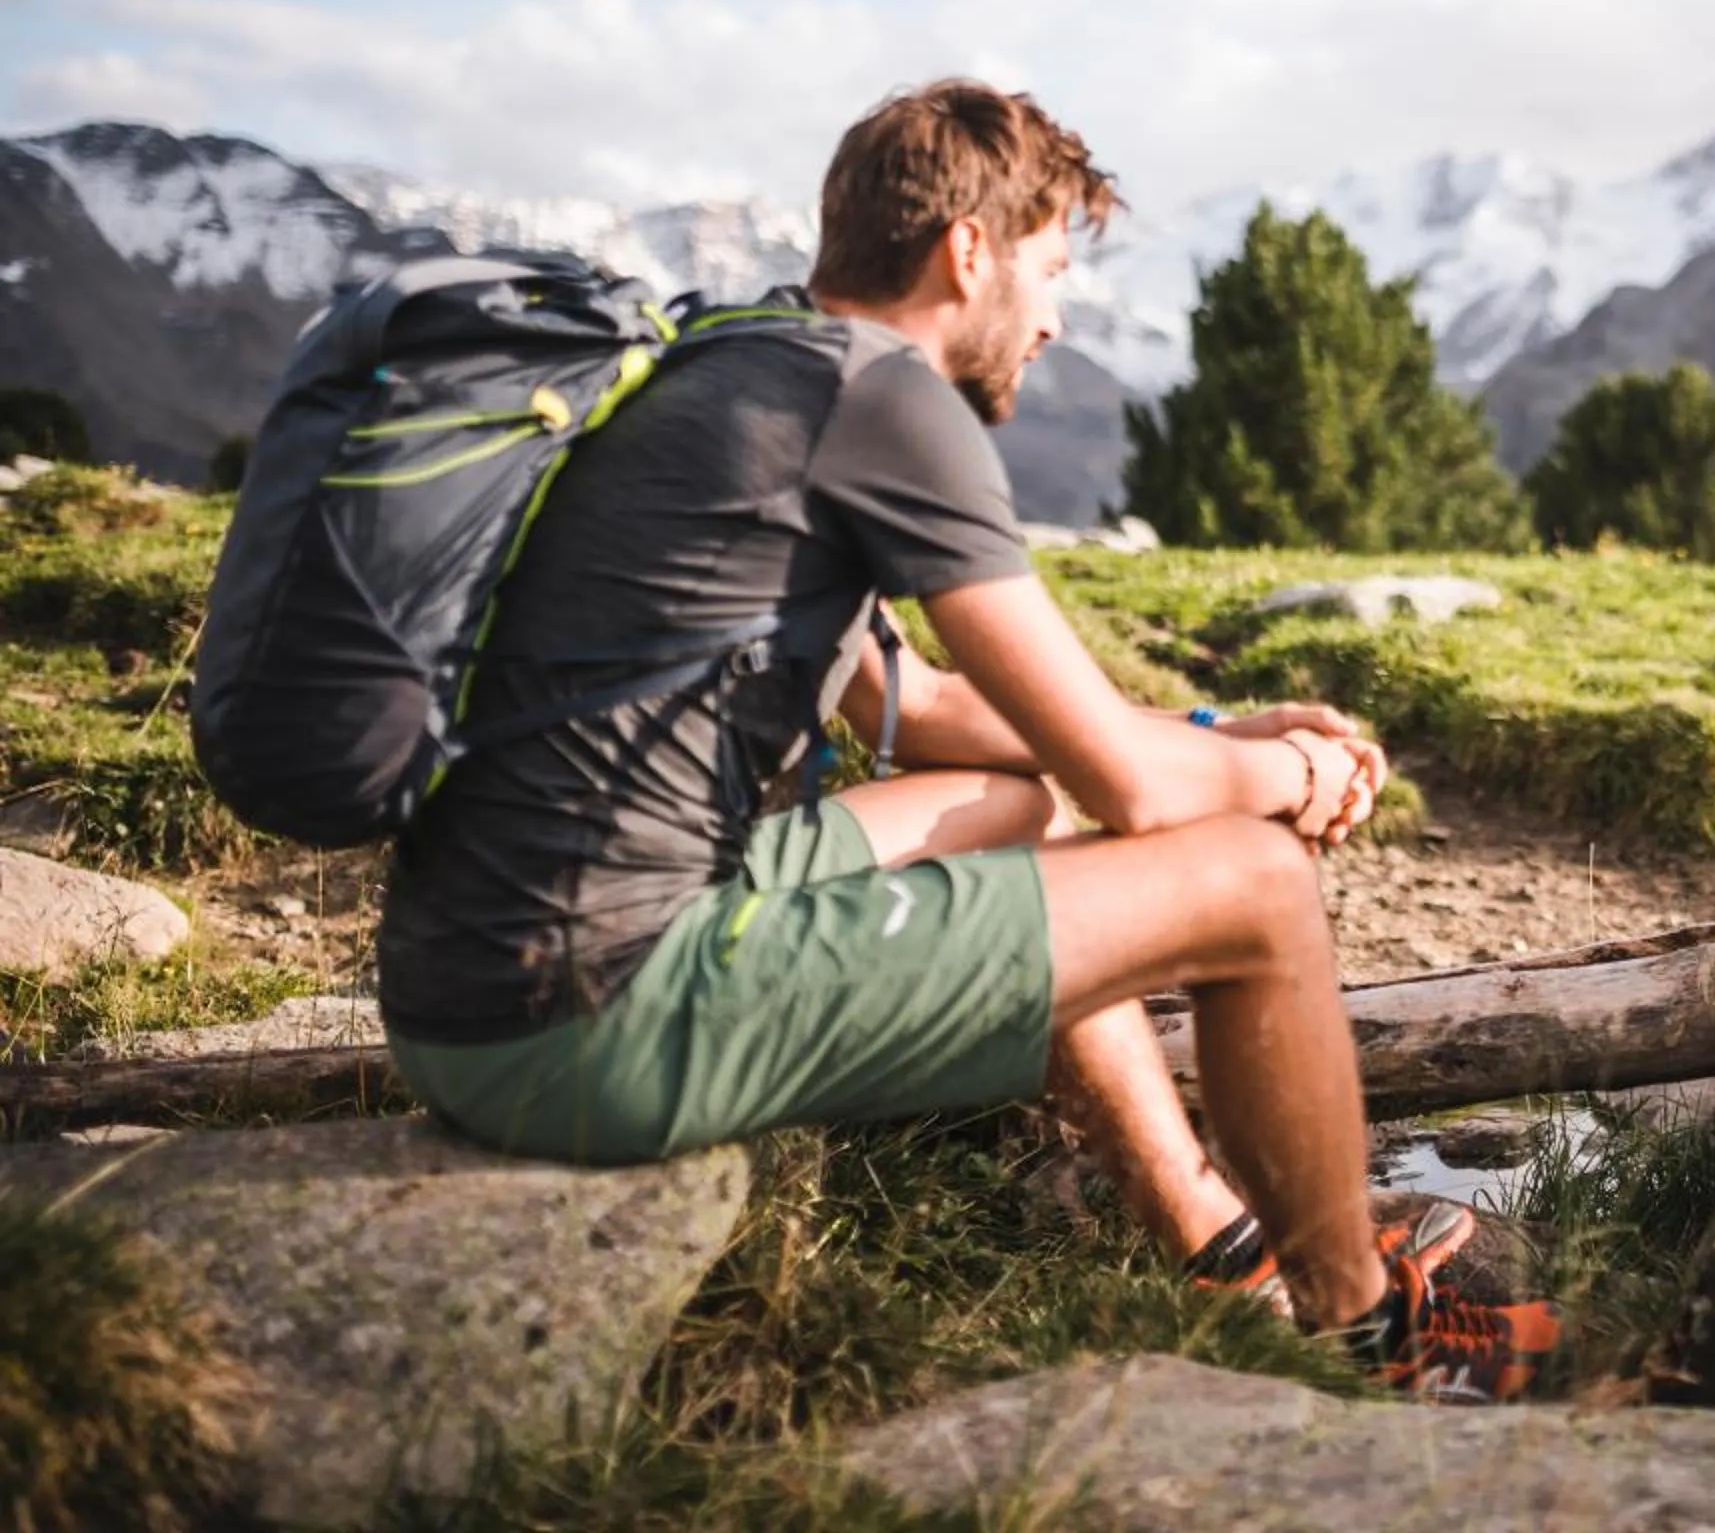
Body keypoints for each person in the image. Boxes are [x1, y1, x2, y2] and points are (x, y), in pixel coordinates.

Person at [374, 77, 1562, 1402]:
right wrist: (1294, 775)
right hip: (593, 1017)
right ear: (969, 252)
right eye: (1050, 272)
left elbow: (929, 711)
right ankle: (1371, 1343)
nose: (1054, 319)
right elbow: (1127, 784)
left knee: (1010, 804)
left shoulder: (748, 360)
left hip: (467, 976)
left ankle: (1219, 1248)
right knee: (1257, 885)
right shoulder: (885, 401)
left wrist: (1215, 731)